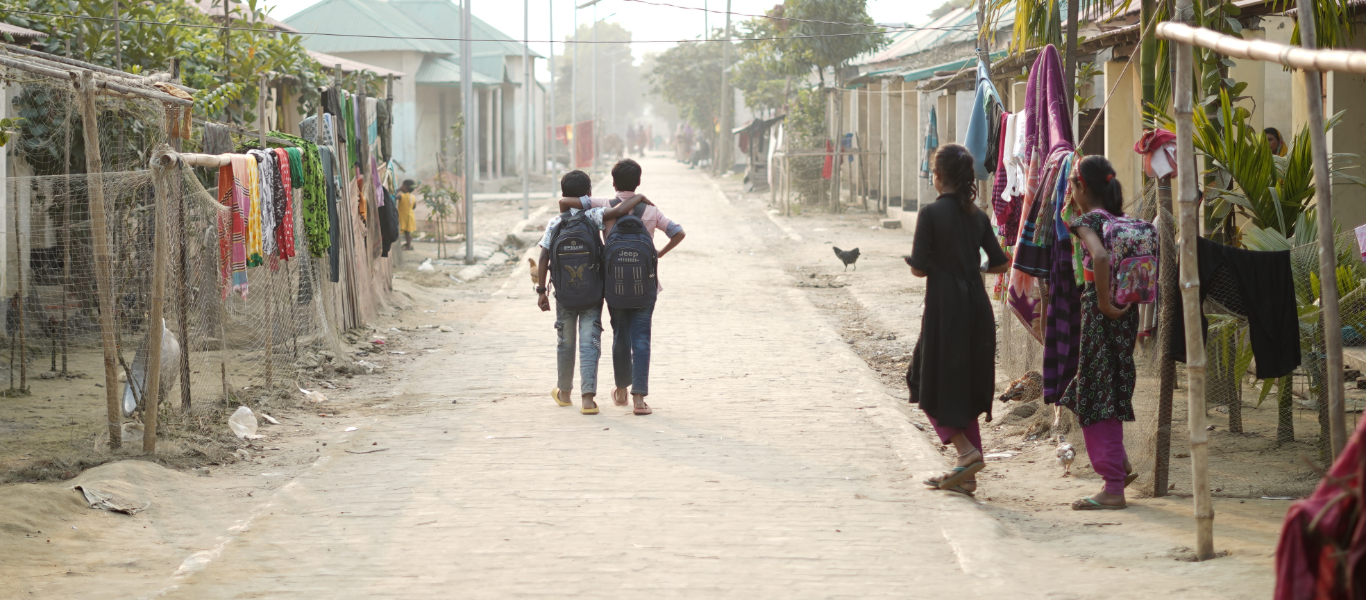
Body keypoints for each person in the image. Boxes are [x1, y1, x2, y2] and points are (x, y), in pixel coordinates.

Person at [907, 144, 1011, 496]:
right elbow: (999, 262)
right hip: (976, 308)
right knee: (962, 386)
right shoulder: (978, 216)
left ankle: (966, 452)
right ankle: (967, 477)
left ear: (938, 178)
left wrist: (934, 264)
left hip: (944, 309)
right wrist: (972, 265)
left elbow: (919, 268)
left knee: (923, 379)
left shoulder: (930, 214)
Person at [558, 159, 685, 415]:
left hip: (613, 285)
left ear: (613, 182)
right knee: (642, 337)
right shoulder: (651, 210)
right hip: (645, 284)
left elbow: (565, 203)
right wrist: (658, 253)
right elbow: (678, 232)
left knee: (620, 335)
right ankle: (639, 399)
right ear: (638, 182)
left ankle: (621, 390)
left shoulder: (603, 204)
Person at [1062, 155, 1142, 510]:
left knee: (1097, 393)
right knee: (1106, 383)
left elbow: (1100, 257)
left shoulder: (1088, 221)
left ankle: (1112, 486)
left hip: (1103, 311)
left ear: (1082, 187)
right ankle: (1120, 466)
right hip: (1128, 314)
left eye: (1071, 184)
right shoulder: (1118, 219)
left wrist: (1105, 305)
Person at [536, 170, 649, 415]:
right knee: (590, 342)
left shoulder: (556, 222)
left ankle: (564, 393)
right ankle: (588, 399)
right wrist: (638, 197)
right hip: (592, 292)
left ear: (564, 194)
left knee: (565, 342)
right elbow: (619, 211)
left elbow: (544, 256)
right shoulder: (593, 216)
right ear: (588, 194)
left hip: (564, 293)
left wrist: (541, 291)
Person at [397, 179, 417, 250]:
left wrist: (398, 189)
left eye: (402, 185)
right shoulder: (413, 197)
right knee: (407, 232)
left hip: (405, 216)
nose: (401, 186)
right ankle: (408, 244)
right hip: (411, 215)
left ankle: (408, 246)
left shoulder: (402, 196)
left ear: (406, 186)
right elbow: (414, 207)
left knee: (406, 232)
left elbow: (392, 197)